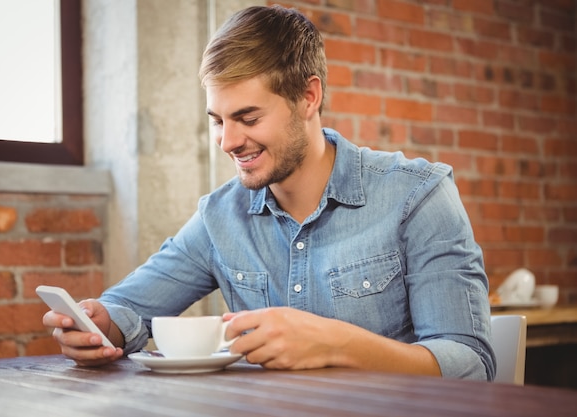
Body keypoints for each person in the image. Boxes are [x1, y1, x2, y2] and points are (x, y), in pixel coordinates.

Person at [43, 5, 496, 381]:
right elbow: (127, 307)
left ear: (308, 97)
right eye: (218, 120)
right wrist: (100, 326)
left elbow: (472, 365)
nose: (227, 141)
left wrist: (335, 343)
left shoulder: (417, 196)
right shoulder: (221, 217)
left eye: (248, 117)